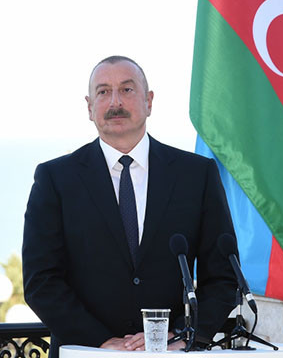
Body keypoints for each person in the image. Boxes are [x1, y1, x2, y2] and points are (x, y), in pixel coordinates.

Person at [22, 56, 237, 357]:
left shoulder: (197, 175)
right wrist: (101, 342)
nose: (115, 102)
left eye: (126, 89)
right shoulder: (55, 179)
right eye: (103, 92)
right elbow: (40, 281)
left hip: (170, 353)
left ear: (149, 101)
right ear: (89, 107)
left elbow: (224, 277)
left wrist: (181, 335)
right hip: (85, 353)